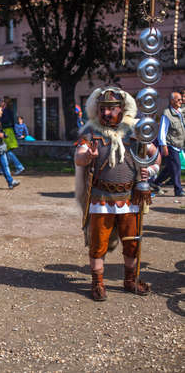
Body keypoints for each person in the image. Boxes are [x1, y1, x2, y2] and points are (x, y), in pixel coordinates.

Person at [75, 87, 160, 301]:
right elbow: (79, 157)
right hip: (100, 197)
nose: (106, 113)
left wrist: (149, 170)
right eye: (103, 108)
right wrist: (88, 157)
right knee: (98, 243)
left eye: (111, 109)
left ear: (121, 109)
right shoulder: (90, 131)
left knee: (132, 241)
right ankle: (98, 284)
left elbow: (155, 155)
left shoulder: (136, 131)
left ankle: (130, 280)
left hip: (130, 198)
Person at [150, 91, 185, 197]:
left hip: (179, 144)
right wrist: (163, 145)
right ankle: (178, 189)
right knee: (177, 166)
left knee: (170, 168)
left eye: (181, 99)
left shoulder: (180, 112)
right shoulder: (167, 114)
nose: (181, 101)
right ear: (172, 101)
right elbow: (162, 131)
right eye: (178, 99)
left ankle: (155, 183)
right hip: (170, 144)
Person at [1, 97, 25, 175]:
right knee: (5, 151)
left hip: (7, 131)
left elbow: (6, 121)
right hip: (8, 131)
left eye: (2, 101)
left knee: (6, 151)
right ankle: (4, 168)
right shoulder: (7, 110)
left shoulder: (6, 111)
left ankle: (19, 166)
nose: (0, 102)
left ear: (5, 103)